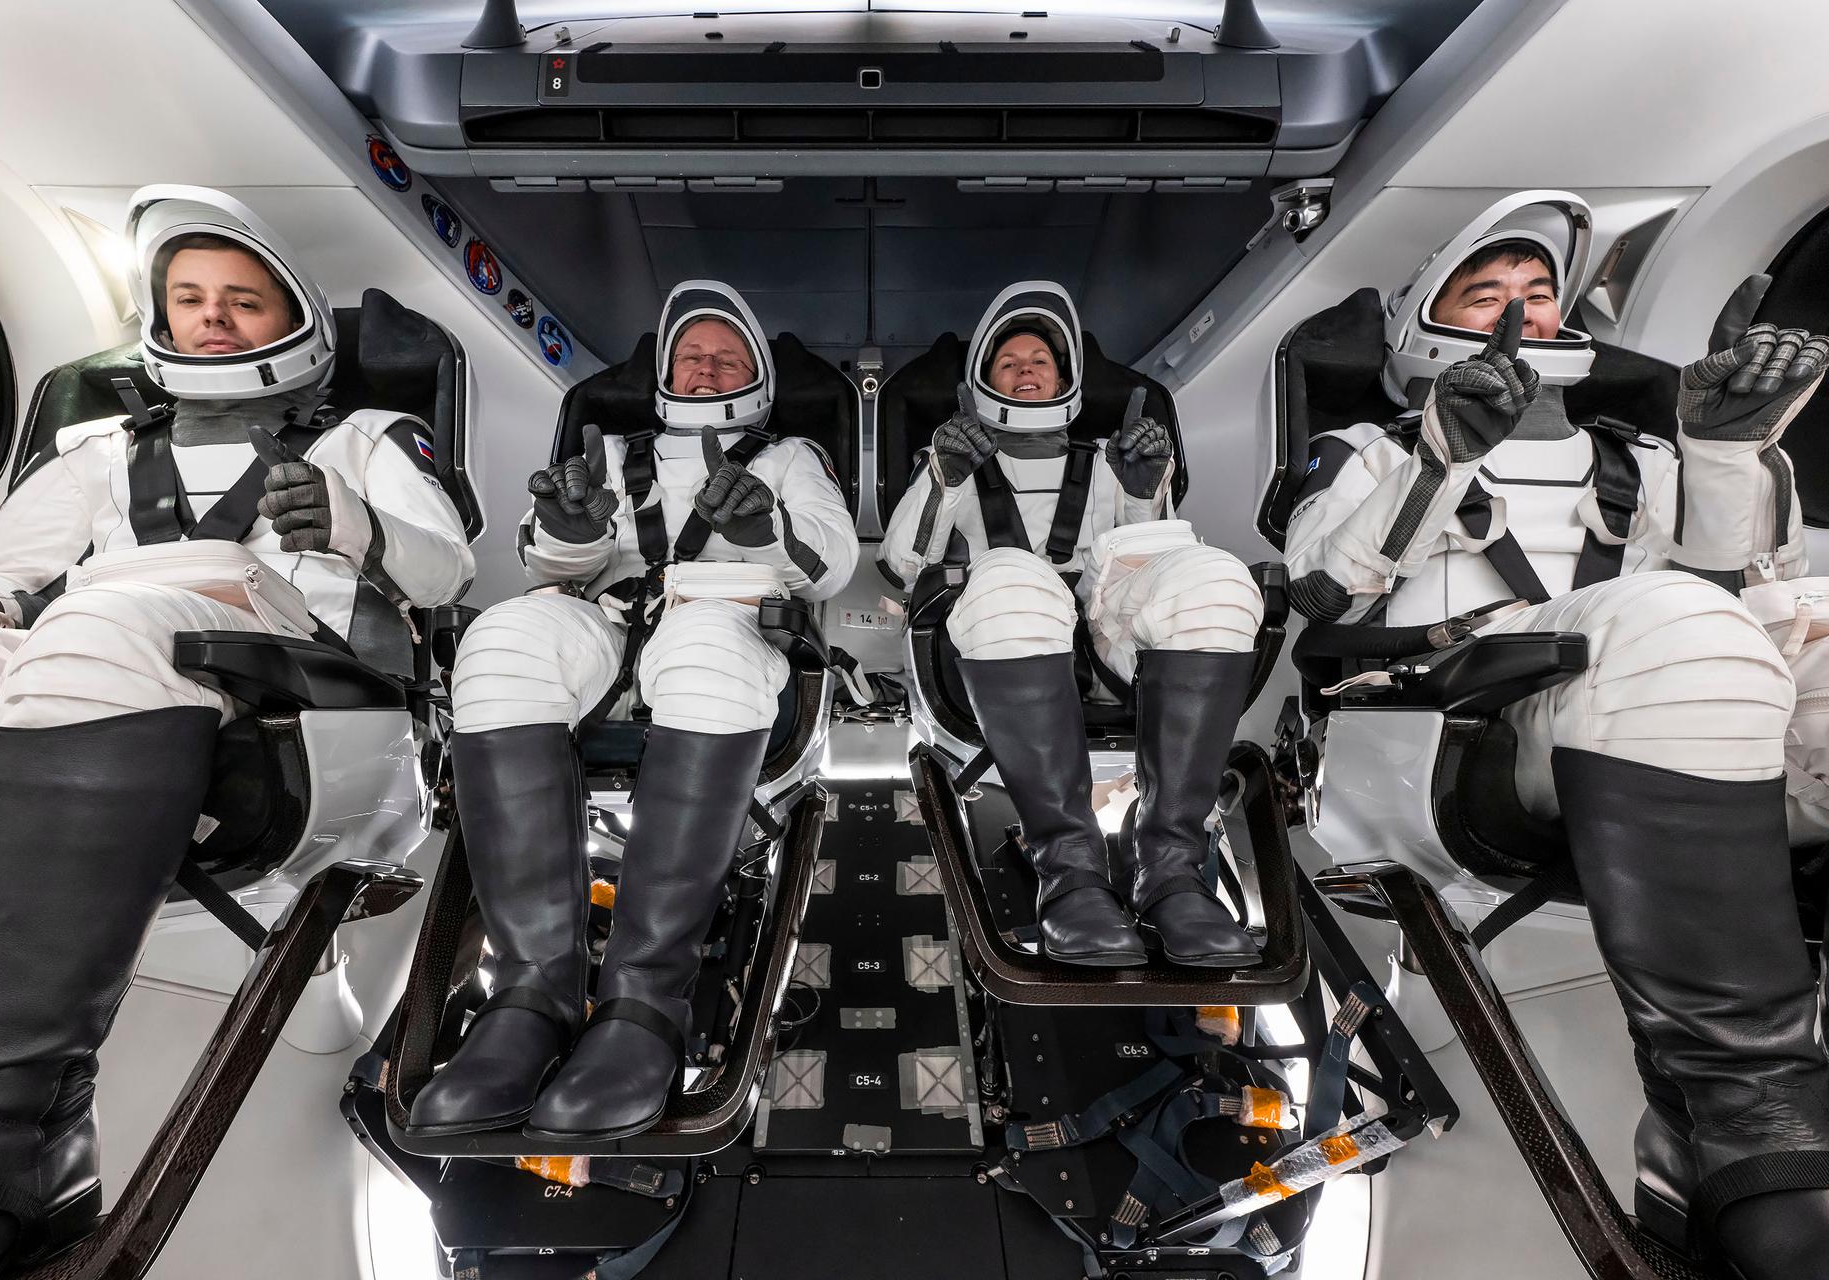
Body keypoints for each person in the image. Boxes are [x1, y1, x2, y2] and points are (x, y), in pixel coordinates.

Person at [0, 185, 474, 1280]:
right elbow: (4, 583)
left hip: (302, 675)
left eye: (243, 301)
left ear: (293, 317)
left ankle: (2, 1137)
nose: (213, 318)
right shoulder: (96, 450)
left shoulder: (364, 436)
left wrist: (356, 523)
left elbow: (445, 569)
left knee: (108, 615)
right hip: (87, 646)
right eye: (190, 298)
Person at [1285, 190, 1829, 1278]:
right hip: (1443, 738)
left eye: (1538, 291)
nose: (1521, 310)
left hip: (1644, 719)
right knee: (1670, 617)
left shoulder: (1640, 457)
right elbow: (1325, 594)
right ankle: (1739, 1121)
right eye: (1487, 292)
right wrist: (1438, 454)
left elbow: (1744, 600)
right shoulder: (1362, 450)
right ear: (1424, 325)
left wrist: (1724, 456)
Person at [406, 281, 856, 1143]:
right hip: (610, 618)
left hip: (729, 622)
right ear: (665, 371)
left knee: (704, 650)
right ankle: (531, 997)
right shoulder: (607, 448)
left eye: (726, 356)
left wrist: (765, 531)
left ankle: (644, 1007)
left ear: (757, 375)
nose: (707, 367)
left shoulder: (791, 457)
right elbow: (554, 571)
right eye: (692, 355)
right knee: (503, 640)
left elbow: (829, 567)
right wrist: (566, 522)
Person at [882, 282, 1264, 969]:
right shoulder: (956, 462)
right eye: (1009, 364)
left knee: (1217, 578)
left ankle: (1172, 872)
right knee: (1010, 576)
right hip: (999, 633)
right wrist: (943, 475)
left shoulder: (1112, 464)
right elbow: (905, 563)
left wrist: (1148, 492)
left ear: (1065, 379)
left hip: (1107, 635)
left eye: (1041, 362)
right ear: (981, 383)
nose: (1026, 370)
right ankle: (1070, 875)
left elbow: (1152, 566)